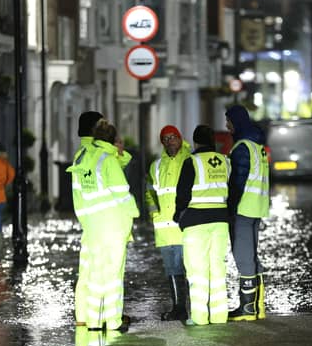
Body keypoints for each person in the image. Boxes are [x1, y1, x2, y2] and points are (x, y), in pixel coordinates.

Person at [66, 117, 139, 332]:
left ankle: (95, 322)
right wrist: (133, 213)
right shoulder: (107, 159)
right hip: (114, 224)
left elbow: (77, 193)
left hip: (93, 225)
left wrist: (86, 220)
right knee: (114, 274)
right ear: (113, 139)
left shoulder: (81, 157)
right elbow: (122, 193)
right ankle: (114, 321)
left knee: (95, 273)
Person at [174, 125, 230, 326]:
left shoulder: (192, 162)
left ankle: (199, 318)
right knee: (217, 268)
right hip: (221, 221)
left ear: (195, 142)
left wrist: (178, 216)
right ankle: (219, 316)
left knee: (197, 270)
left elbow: (182, 194)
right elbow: (231, 191)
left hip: (196, 222)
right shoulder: (225, 161)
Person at [225, 105, 270, 321]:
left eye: (229, 122)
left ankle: (247, 309)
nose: (227, 126)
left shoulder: (242, 147)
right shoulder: (258, 146)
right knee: (251, 255)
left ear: (237, 122)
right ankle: (258, 306)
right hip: (257, 207)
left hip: (243, 208)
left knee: (243, 257)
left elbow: (238, 181)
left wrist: (230, 206)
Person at [146, 125, 192, 321]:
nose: (169, 141)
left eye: (173, 137)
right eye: (165, 138)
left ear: (180, 139)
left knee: (190, 267)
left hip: (186, 226)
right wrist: (155, 215)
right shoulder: (156, 166)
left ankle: (193, 307)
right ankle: (178, 308)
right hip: (165, 228)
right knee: (172, 269)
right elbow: (149, 193)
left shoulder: (190, 161)